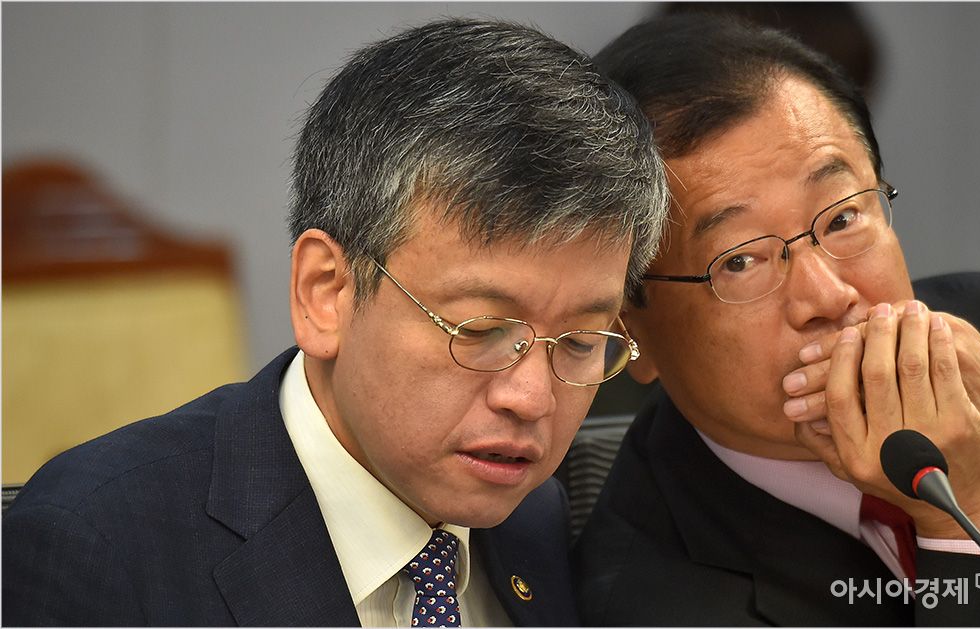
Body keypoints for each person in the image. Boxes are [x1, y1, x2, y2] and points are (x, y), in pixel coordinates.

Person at [2, 18, 668, 626]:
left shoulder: (538, 518)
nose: (532, 398)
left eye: (581, 341)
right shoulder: (96, 546)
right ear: (326, 292)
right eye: (481, 330)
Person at [573, 13, 980, 626]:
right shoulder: (650, 601)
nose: (830, 296)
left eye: (842, 218)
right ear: (629, 330)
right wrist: (970, 514)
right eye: (740, 261)